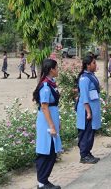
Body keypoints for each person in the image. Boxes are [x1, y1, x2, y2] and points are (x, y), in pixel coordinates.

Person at [33, 59, 62, 189]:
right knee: (46, 151)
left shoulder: (51, 83)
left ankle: (44, 180)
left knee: (51, 151)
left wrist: (57, 122)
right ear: (51, 69)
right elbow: (44, 107)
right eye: (57, 68)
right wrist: (51, 125)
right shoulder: (45, 87)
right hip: (46, 122)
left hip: (51, 119)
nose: (58, 70)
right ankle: (41, 182)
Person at [76, 55, 101, 164]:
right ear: (88, 65)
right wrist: (89, 112)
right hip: (87, 110)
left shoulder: (91, 75)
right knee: (85, 133)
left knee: (90, 132)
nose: (95, 65)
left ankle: (88, 152)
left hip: (92, 108)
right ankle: (84, 155)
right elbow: (85, 97)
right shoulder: (84, 79)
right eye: (94, 63)